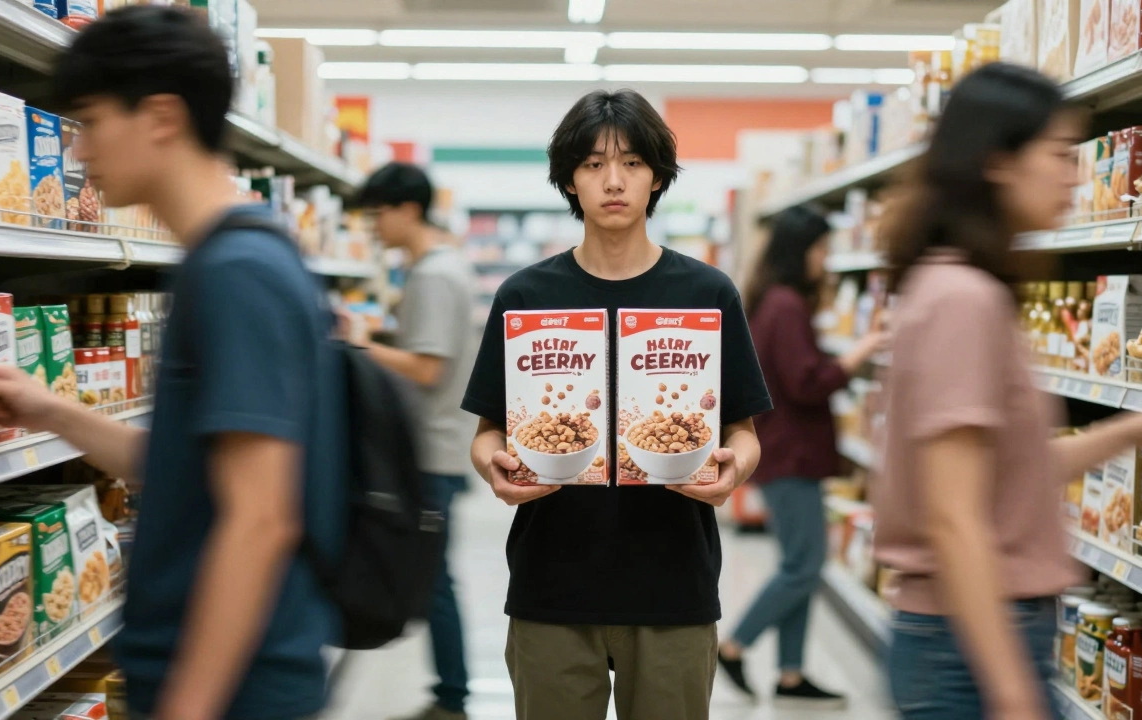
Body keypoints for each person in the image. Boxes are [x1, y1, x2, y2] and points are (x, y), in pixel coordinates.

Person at [0, 7, 346, 720]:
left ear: (161, 117)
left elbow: (260, 516)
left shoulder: (238, 272)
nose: (78, 153)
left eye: (92, 121)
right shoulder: (226, 261)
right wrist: (51, 411)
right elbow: (187, 468)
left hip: (237, 691)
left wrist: (188, 708)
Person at [872, 62, 1142, 720]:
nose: (1076, 174)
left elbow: (1009, 476)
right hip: (967, 644)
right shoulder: (962, 300)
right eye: (1059, 154)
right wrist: (1010, 692)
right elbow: (954, 518)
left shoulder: (959, 287)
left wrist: (1141, 426)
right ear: (999, 160)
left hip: (968, 636)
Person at [460, 89, 772, 720]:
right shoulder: (526, 295)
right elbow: (490, 430)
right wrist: (492, 463)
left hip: (673, 584)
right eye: (593, 164)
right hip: (552, 581)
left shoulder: (707, 292)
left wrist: (734, 469)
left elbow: (742, 430)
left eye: (631, 163)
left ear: (657, 176)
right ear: (569, 179)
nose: (613, 182)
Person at [715, 204, 885, 707]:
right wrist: (862, 349)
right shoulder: (787, 305)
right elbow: (807, 383)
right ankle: (734, 645)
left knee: (799, 563)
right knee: (803, 567)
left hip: (789, 455)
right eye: (821, 249)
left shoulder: (774, 300)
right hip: (789, 456)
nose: (826, 260)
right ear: (801, 251)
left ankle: (791, 674)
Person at [351, 162, 478, 720]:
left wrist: (354, 343)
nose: (373, 227)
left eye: (377, 215)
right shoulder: (441, 266)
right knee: (435, 574)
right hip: (438, 443)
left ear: (407, 210)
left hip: (429, 447)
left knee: (434, 579)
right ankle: (450, 690)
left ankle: (452, 695)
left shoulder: (432, 274)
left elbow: (426, 369)